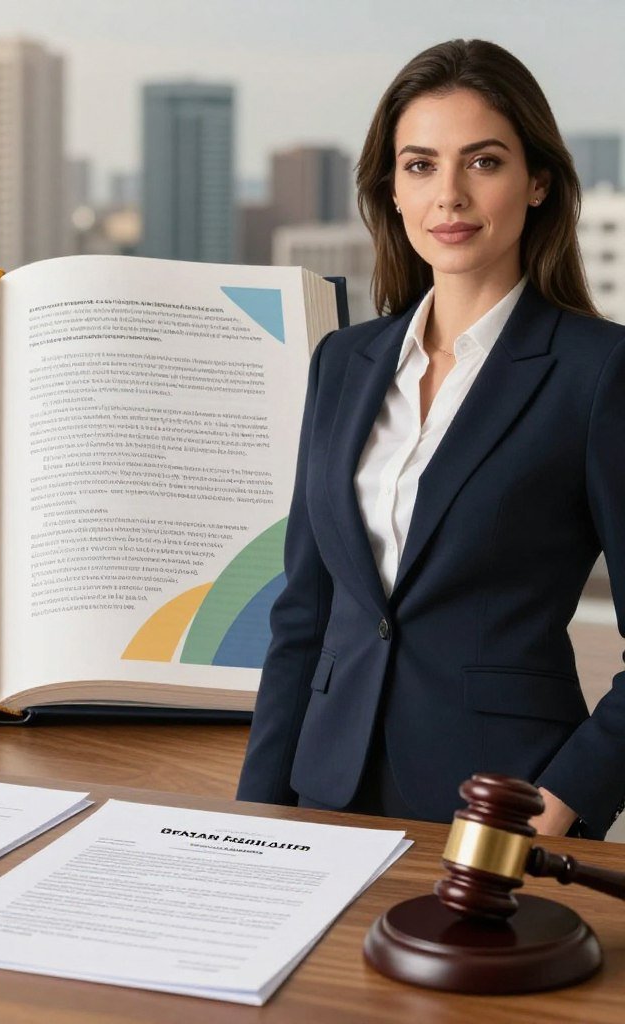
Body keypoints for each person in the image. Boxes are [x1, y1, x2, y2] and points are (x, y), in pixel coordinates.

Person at [237, 38, 625, 839]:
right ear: (390, 187)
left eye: (482, 162)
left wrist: (556, 807)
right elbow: (305, 618)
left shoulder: (599, 372)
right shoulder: (343, 362)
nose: (448, 194)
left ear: (539, 182)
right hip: (325, 796)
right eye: (419, 165)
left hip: (501, 813)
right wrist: (254, 819)